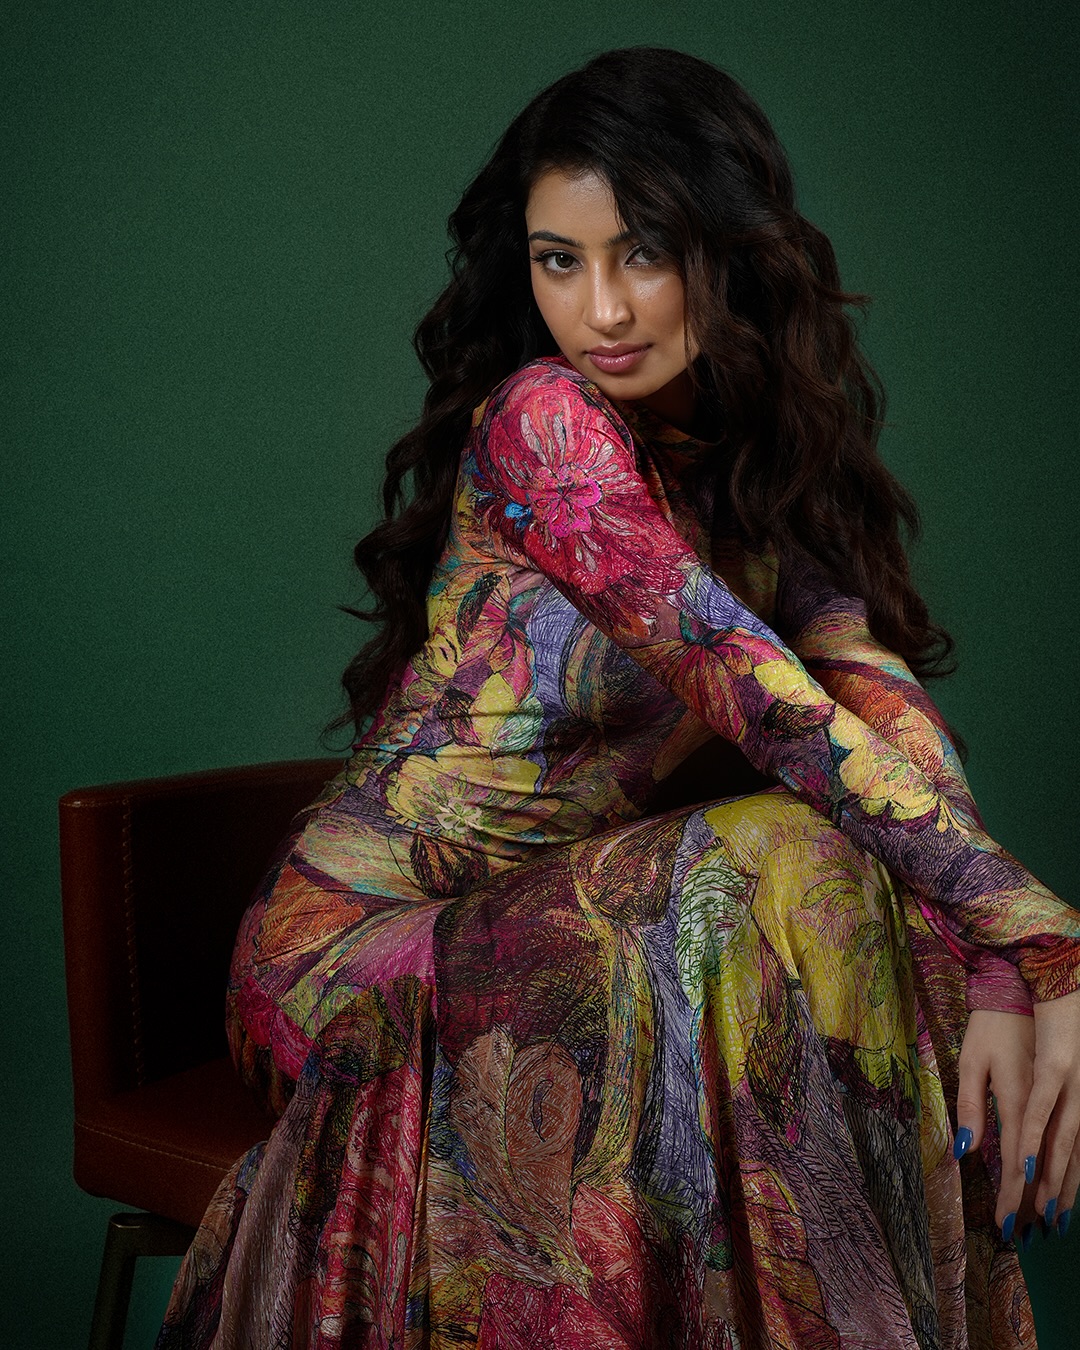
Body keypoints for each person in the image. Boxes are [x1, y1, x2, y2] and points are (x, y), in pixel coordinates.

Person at [158, 47, 1080, 1349]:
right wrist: (1047, 936)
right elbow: (770, 708)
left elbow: (883, 720)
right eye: (559, 261)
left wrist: (996, 963)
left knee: (864, 887)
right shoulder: (543, 421)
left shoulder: (756, 471)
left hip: (576, 935)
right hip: (356, 962)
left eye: (643, 252)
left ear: (730, 251)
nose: (601, 308)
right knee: (790, 850)